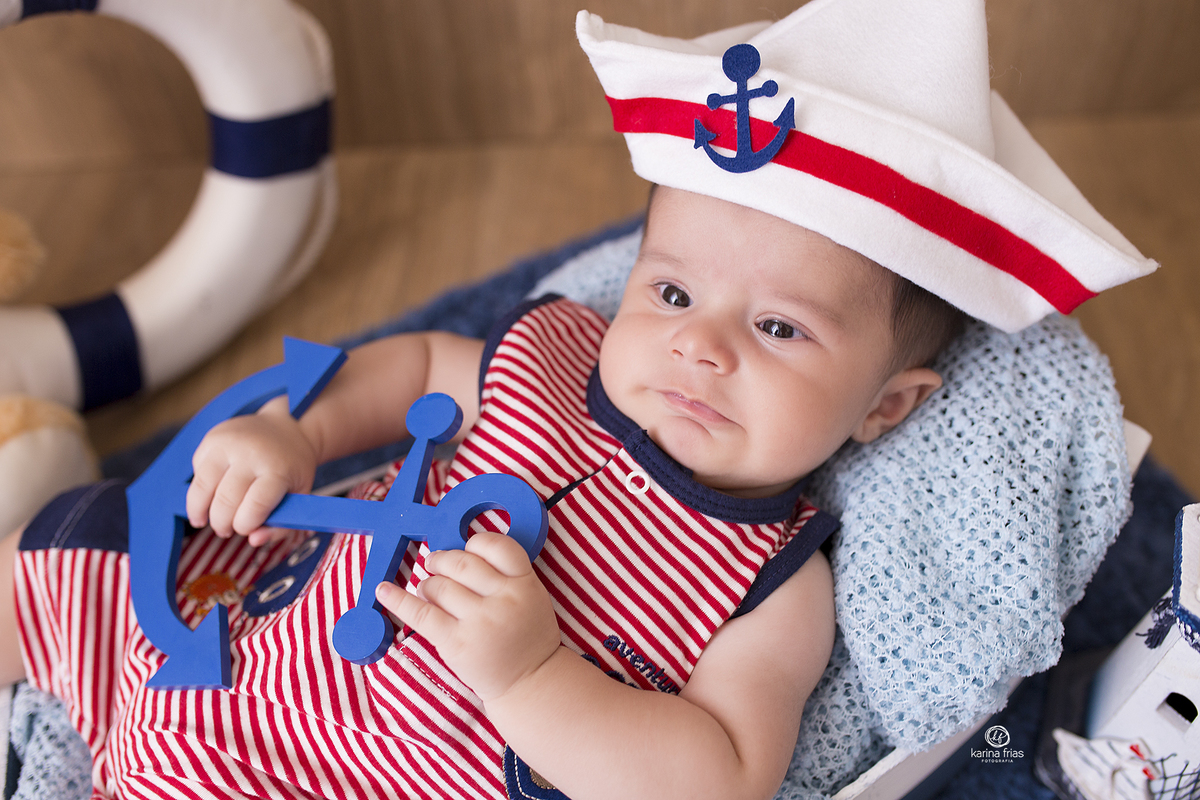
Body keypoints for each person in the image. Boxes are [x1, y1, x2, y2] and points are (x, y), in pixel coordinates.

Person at [0, 0, 1158, 798]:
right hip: (229, 627)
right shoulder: (556, 355)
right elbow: (416, 367)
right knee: (78, 543)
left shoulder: (773, 583)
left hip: (366, 770)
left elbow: (717, 772)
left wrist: (533, 675)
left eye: (778, 327)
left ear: (885, 408)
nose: (699, 345)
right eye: (672, 291)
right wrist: (293, 431)